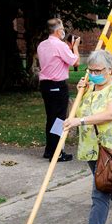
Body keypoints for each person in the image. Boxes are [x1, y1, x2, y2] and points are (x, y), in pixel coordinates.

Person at [63, 50, 112, 224]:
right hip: (91, 147)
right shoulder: (89, 88)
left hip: (111, 147)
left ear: (109, 69)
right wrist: (81, 92)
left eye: (98, 71)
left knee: (100, 192)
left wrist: (80, 121)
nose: (94, 74)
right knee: (107, 181)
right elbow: (78, 112)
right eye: (91, 71)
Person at [37, 18, 80, 162]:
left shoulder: (42, 45)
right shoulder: (60, 45)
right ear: (57, 30)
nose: (64, 31)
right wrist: (75, 47)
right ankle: (57, 153)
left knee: (51, 118)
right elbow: (76, 61)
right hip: (57, 85)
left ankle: (49, 150)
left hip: (45, 85)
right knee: (59, 120)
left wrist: (67, 47)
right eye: (62, 29)